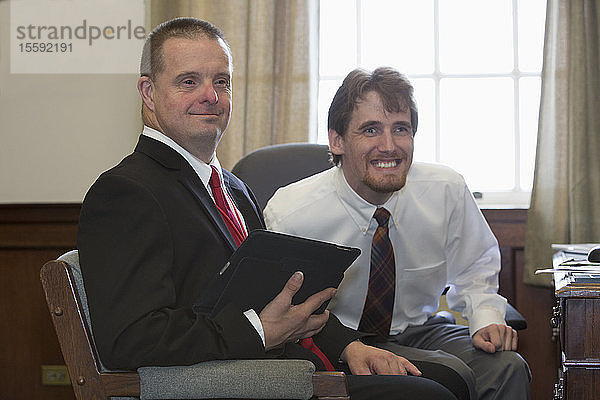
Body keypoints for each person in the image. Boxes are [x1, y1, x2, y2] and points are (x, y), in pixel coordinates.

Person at [77, 18, 460, 400]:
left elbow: (280, 298)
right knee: (432, 395)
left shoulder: (234, 188)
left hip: (291, 361)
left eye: (221, 81)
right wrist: (257, 331)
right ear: (148, 91)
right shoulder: (126, 192)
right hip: (246, 381)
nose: (210, 95)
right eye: (189, 81)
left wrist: (350, 346)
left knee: (453, 381)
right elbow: (130, 338)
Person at [264, 67, 532, 400]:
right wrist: (344, 344)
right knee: (440, 381)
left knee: (507, 367)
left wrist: (485, 319)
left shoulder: (445, 190)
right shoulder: (291, 214)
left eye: (400, 129)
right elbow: (282, 312)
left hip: (420, 330)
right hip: (335, 340)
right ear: (337, 140)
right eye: (371, 130)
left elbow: (476, 267)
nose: (389, 146)